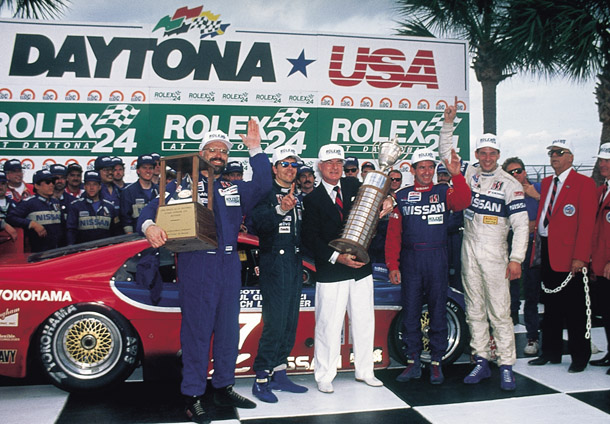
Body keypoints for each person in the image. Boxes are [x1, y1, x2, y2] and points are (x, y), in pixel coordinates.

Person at [137, 120, 270, 424]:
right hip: (197, 263)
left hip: (228, 265)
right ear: (200, 154)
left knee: (227, 331)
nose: (217, 154)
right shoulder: (181, 185)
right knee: (197, 333)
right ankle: (193, 394)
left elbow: (264, 185)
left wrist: (255, 148)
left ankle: (223, 386)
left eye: (223, 151)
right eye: (211, 149)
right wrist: (151, 226)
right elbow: (148, 211)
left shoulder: (233, 186)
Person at [440, 101, 529, 391]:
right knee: (474, 309)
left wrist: (516, 258)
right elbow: (446, 155)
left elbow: (521, 225)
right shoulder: (468, 172)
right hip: (469, 247)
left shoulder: (509, 183)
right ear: (477, 154)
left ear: (498, 155)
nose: (487, 158)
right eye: (483, 153)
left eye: (492, 153)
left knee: (500, 311)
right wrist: (448, 124)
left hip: (496, 251)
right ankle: (480, 360)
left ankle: (505, 365)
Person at [302, 144, 383, 394]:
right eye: (329, 163)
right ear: (320, 167)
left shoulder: (354, 186)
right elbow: (310, 238)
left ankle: (365, 371)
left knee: (364, 321)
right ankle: (325, 374)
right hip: (332, 270)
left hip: (360, 268)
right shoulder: (312, 199)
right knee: (328, 323)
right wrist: (338, 258)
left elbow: (378, 198)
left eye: (339, 162)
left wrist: (387, 202)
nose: (335, 167)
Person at [386, 147, 470, 385]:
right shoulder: (401, 196)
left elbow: (464, 201)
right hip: (411, 259)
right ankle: (412, 362)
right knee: (411, 312)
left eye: (430, 167)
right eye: (421, 167)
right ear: (412, 170)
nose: (426, 171)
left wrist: (457, 175)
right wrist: (393, 265)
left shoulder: (444, 191)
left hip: (437, 258)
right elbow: (393, 236)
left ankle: (436, 362)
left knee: (438, 311)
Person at [528, 139, 596, 373]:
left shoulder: (584, 184)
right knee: (551, 306)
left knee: (576, 309)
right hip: (547, 250)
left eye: (559, 152)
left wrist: (580, 257)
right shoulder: (547, 183)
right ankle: (551, 351)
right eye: (551, 153)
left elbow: (587, 225)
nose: (554, 157)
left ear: (571, 157)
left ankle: (579, 356)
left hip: (571, 256)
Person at [250, 146, 308, 403]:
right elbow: (259, 225)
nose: (290, 169)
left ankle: (279, 371)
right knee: (275, 321)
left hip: (295, 260)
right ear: (274, 168)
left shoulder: (302, 195)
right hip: (274, 259)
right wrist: (280, 209)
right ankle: (261, 377)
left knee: (289, 320)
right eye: (284, 164)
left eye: (294, 165)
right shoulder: (265, 192)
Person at [502, 157, 543, 355]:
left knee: (537, 294)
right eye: (510, 173)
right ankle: (521, 336)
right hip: (514, 247)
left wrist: (537, 197)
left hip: (539, 248)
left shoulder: (540, 188)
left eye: (518, 171)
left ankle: (533, 337)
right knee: (516, 292)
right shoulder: (505, 193)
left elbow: (557, 213)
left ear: (525, 171)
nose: (515, 175)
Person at [6, 169, 63, 252]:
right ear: (36, 186)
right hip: (36, 252)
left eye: (53, 182)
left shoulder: (56, 202)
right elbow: (10, 217)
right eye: (47, 182)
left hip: (56, 251)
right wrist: (31, 224)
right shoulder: (29, 202)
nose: (51, 185)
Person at [590, 142, 610, 374]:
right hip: (600, 263)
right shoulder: (603, 190)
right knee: (606, 311)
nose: (603, 164)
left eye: (607, 160)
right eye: (601, 160)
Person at [66, 171, 120, 245]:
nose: (91, 188)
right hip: (82, 251)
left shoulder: (109, 206)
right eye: (88, 184)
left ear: (99, 187)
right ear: (84, 186)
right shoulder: (76, 206)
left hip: (105, 250)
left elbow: (115, 232)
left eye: (94, 184)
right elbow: (71, 232)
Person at [437, 163, 465, 292]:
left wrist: (435, 228)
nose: (442, 177)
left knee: (454, 275)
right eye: (440, 174)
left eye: (445, 174)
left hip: (452, 240)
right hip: (435, 242)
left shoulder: (456, 193)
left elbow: (457, 219)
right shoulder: (433, 192)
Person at [120, 154, 159, 234]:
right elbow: (126, 219)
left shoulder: (160, 190)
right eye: (144, 168)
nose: (148, 171)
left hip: (158, 237)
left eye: (150, 168)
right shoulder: (128, 191)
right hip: (136, 239)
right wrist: (130, 239)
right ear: (138, 170)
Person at [0, 171, 19, 249]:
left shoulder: (14, 204)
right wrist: (3, 224)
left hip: (13, 249)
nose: (0, 187)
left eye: (3, 184)